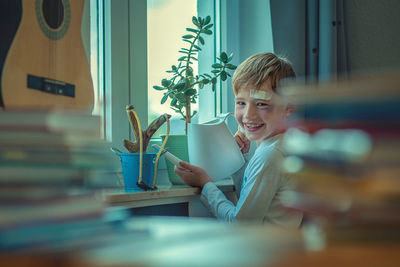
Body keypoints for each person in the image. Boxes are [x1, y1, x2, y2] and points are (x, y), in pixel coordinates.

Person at [174, 52, 303, 226]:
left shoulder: (269, 155)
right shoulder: (283, 145)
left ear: (289, 107)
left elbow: (239, 223)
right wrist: (240, 161)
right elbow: (253, 204)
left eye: (262, 104)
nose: (248, 114)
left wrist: (205, 185)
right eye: (241, 103)